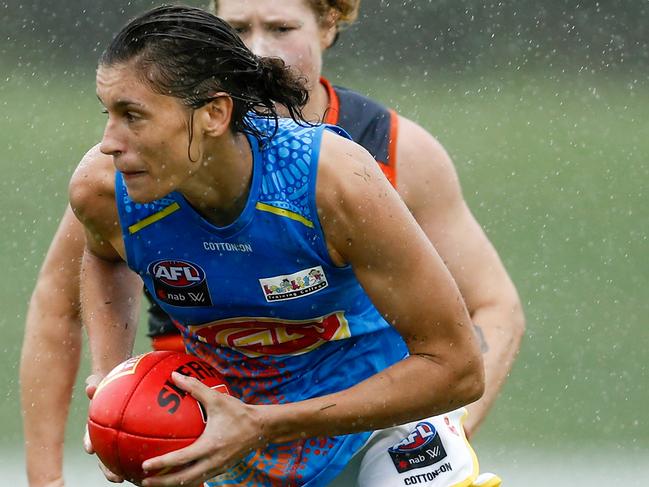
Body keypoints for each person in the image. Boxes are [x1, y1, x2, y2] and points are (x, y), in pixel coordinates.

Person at [20, 1, 524, 485]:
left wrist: (265, 423)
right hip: (230, 444)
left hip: (382, 437)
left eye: (133, 115)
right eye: (107, 113)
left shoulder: (333, 178)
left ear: (215, 114)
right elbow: (101, 256)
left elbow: (456, 370)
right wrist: (114, 377)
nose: (109, 140)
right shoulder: (105, 188)